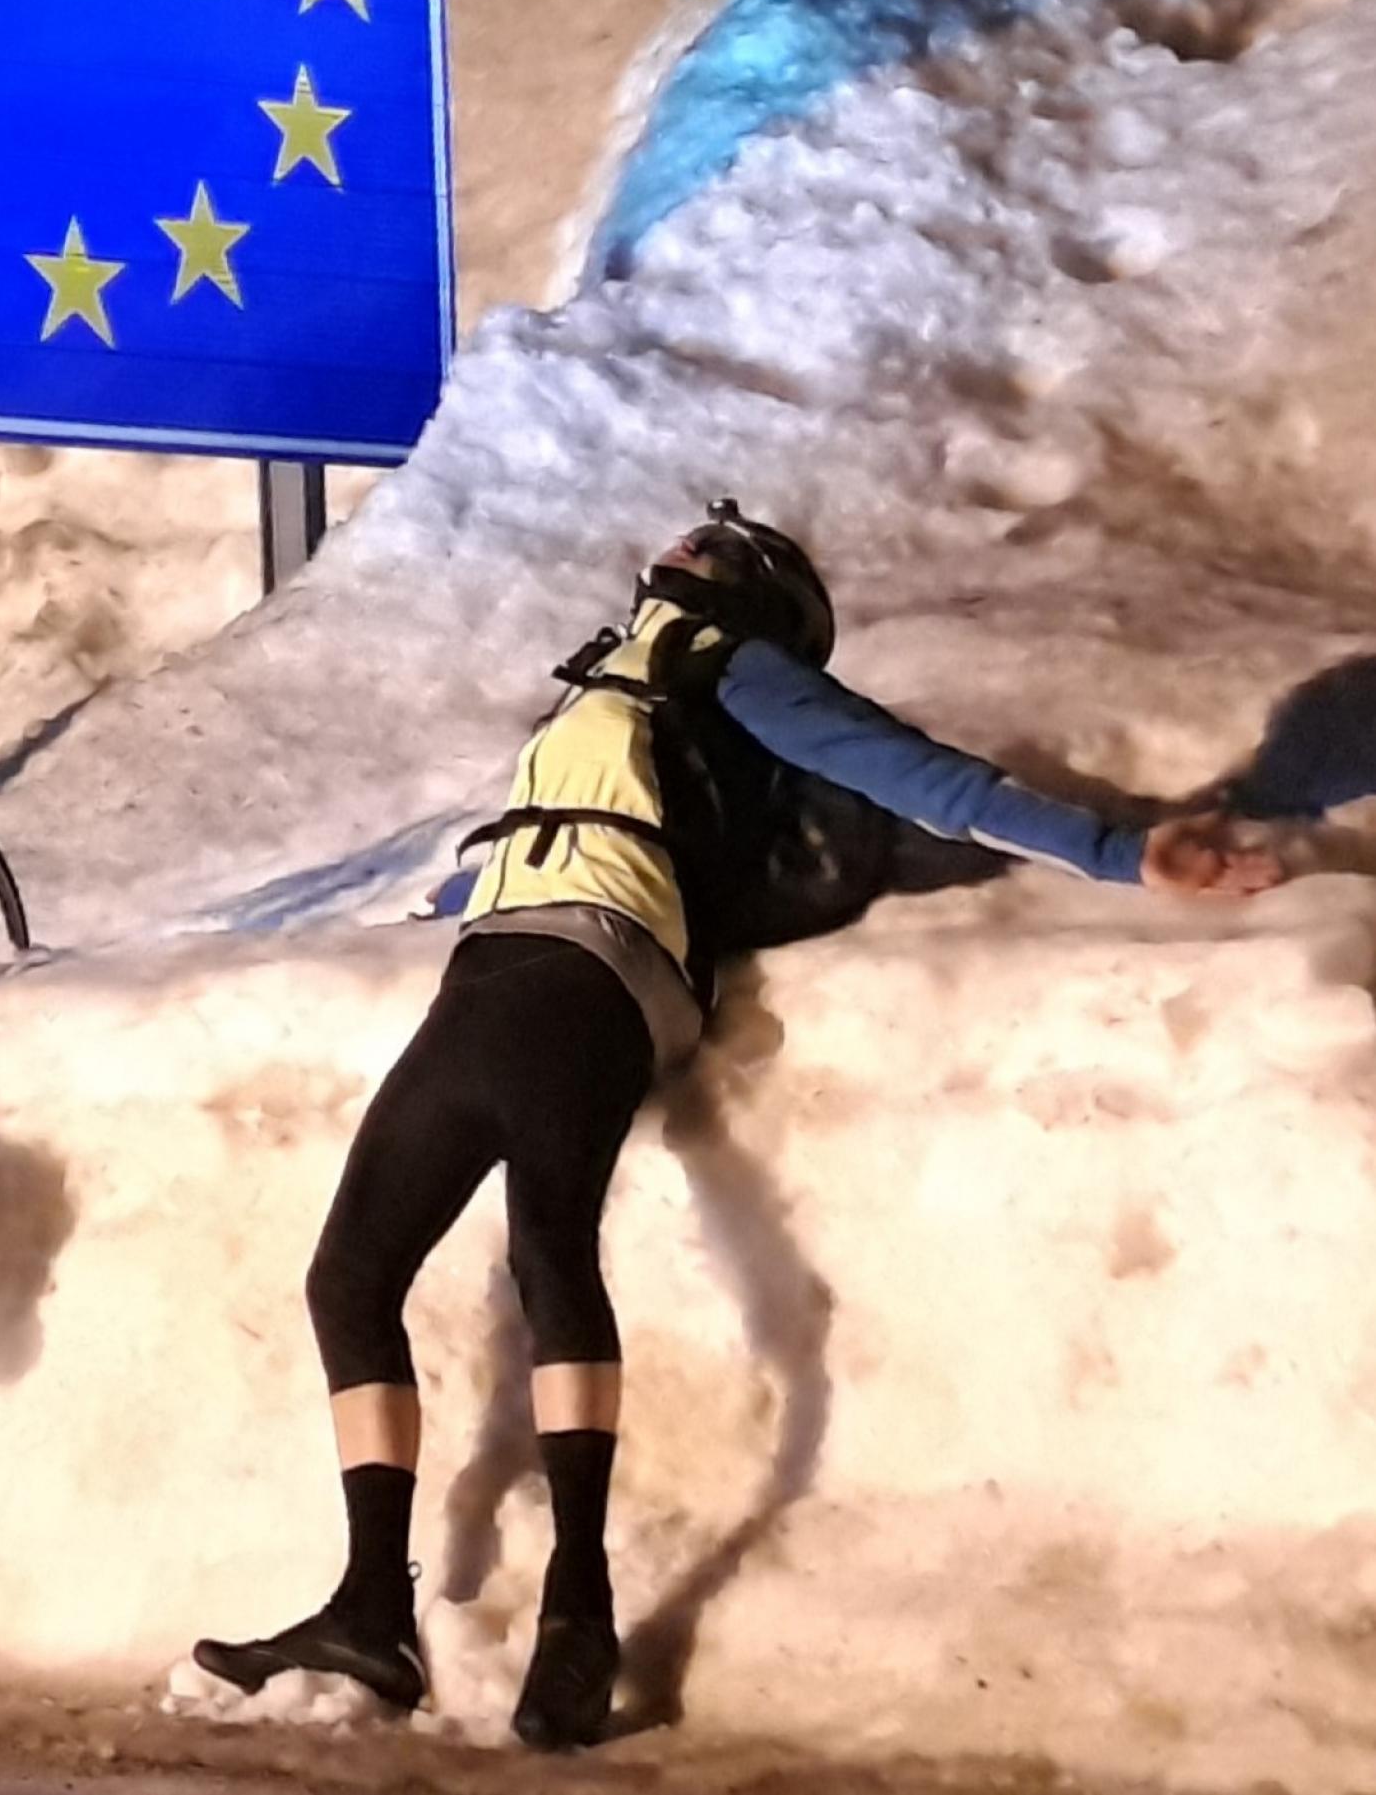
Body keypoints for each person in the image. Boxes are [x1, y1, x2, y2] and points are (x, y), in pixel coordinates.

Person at [192, 502, 1284, 1750]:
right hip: (499, 968)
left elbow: (918, 776)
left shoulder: (726, 665)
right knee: (351, 1274)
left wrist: (1118, 848)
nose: (686, 543)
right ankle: (371, 1610)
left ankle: (578, 1609)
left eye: (721, 547)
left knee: (546, 1249)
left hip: (596, 972)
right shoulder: (616, 678)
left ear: (753, 597)